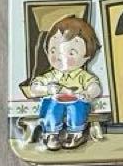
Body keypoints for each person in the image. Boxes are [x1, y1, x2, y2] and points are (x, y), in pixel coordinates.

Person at [27, 15, 102, 150]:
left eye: (71, 53)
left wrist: (87, 93)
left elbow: (94, 86)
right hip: (56, 101)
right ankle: (51, 134)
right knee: (51, 105)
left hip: (76, 101)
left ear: (86, 56)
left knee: (77, 106)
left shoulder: (82, 76)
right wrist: (47, 90)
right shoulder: (51, 76)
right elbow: (34, 88)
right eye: (53, 51)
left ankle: (76, 134)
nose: (60, 57)